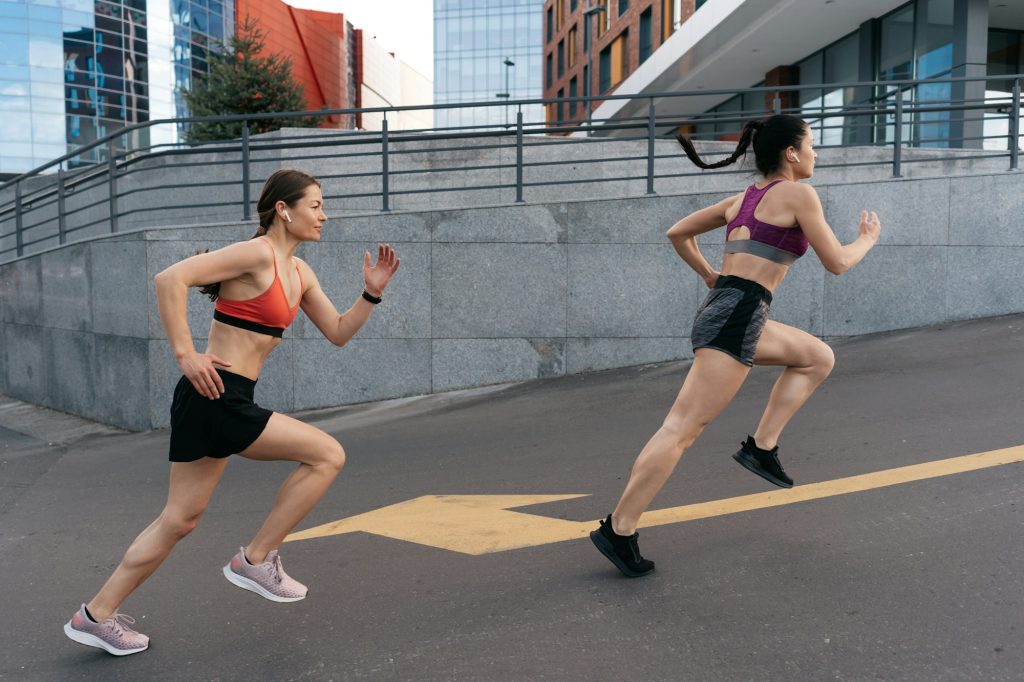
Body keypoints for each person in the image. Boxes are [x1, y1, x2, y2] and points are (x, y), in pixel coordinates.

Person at [63, 168, 400, 655]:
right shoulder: (257, 253)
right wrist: (185, 353)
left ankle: (95, 615)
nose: (324, 214)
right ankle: (255, 559)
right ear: (284, 210)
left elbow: (340, 331)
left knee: (178, 520)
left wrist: (371, 292)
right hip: (215, 391)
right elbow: (170, 278)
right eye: (316, 205)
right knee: (327, 455)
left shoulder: (301, 273)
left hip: (221, 398)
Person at [590, 114, 881, 578]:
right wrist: (866, 240)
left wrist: (710, 276)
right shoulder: (799, 194)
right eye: (812, 144)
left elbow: (677, 233)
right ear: (791, 152)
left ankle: (762, 447)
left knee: (817, 357)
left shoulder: (741, 200)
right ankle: (618, 529)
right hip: (740, 313)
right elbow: (838, 263)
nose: (815, 153)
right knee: (680, 429)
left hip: (731, 307)